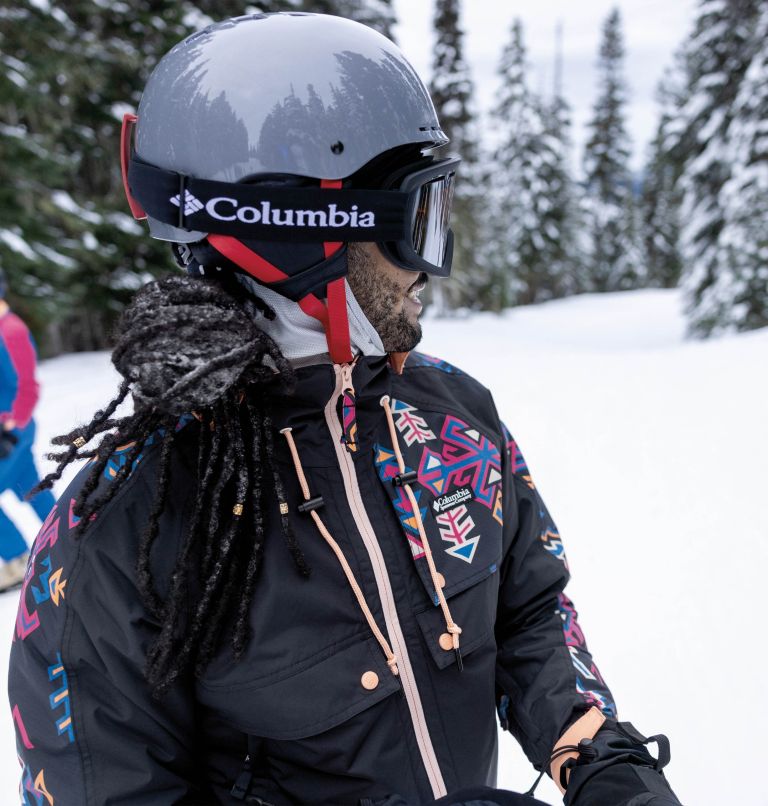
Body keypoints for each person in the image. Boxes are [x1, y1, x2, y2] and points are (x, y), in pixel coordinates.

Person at [8, 13, 683, 806]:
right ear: (303, 235)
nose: (432, 267)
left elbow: (528, 611)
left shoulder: (452, 416)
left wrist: (597, 753)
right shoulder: (125, 530)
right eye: (413, 223)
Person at [0, 269, 55, 593]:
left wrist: (12, 427)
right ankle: (70, 533)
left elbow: (28, 386)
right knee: (30, 486)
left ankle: (17, 559)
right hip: (7, 429)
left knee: (28, 485)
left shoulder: (12, 330)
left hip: (13, 430)